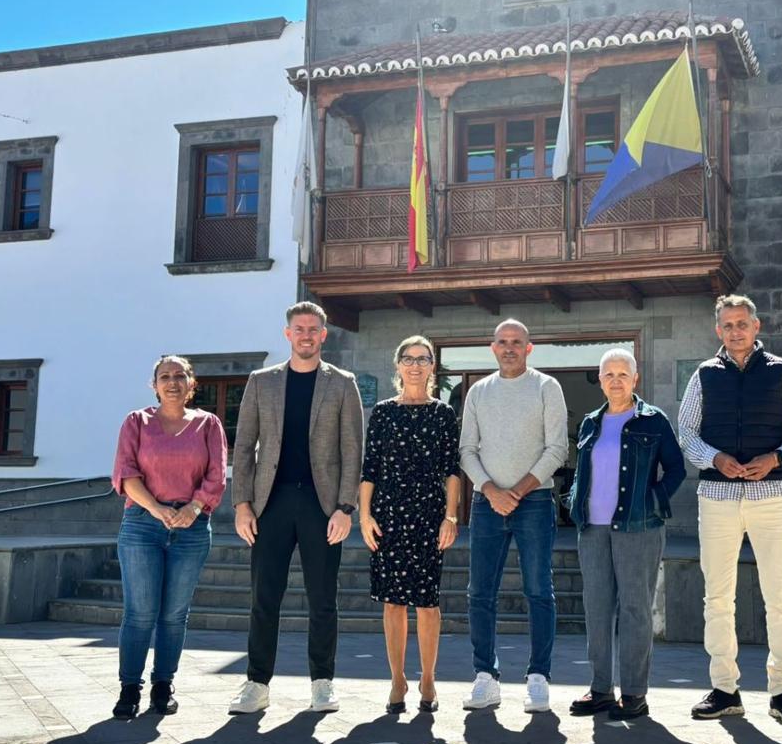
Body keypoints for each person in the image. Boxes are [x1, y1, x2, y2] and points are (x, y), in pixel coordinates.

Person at [678, 294, 782, 725]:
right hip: (716, 499)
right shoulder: (703, 375)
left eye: (742, 323)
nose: (735, 331)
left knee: (781, 597)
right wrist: (714, 459)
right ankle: (724, 689)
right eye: (727, 325)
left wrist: (776, 457)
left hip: (771, 498)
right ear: (718, 330)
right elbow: (686, 431)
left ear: (757, 327)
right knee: (717, 597)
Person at [228, 302, 363, 715]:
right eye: (299, 328)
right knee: (263, 596)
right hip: (271, 503)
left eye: (314, 329)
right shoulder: (261, 381)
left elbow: (352, 450)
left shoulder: (343, 383)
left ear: (324, 335)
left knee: (322, 598)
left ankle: (322, 683)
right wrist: (242, 504)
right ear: (288, 334)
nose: (306, 335)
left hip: (322, 506)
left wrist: (345, 508)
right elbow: (244, 445)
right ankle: (256, 683)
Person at [567, 348, 686, 720]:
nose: (615, 380)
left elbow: (677, 469)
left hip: (639, 528)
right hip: (593, 529)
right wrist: (573, 498)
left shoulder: (653, 420)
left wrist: (654, 499)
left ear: (635, 379)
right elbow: (583, 469)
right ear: (600, 381)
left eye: (623, 374)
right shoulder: (590, 422)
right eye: (608, 375)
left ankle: (634, 693)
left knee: (635, 610)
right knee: (597, 608)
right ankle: (601, 688)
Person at [459, 319, 568, 712]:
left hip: (534, 502)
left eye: (516, 342)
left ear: (529, 348)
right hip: (486, 505)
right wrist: (491, 491)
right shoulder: (478, 392)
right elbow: (467, 450)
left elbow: (557, 449)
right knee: (479, 593)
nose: (509, 348)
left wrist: (516, 492)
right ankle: (485, 676)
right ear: (493, 348)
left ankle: (538, 676)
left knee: (539, 590)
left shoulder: (546, 388)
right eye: (502, 342)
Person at [110, 355, 227, 720]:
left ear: (192, 383)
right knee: (140, 612)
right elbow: (126, 473)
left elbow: (216, 473)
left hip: (191, 528)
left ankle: (163, 685)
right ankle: (130, 687)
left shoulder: (209, 424)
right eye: (165, 376)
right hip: (143, 524)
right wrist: (160, 510)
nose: (172, 382)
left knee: (175, 614)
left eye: (180, 376)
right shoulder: (137, 422)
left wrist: (192, 509)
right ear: (154, 384)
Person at [359, 336, 461, 714]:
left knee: (428, 603)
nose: (415, 365)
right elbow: (370, 470)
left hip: (429, 517)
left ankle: (429, 679)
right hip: (388, 517)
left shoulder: (443, 414)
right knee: (393, 603)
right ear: (398, 365)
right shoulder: (383, 413)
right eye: (408, 358)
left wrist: (450, 516)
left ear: (432, 366)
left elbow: (452, 471)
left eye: (423, 359)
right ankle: (397, 680)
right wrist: (365, 516)